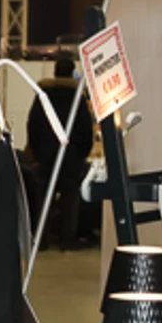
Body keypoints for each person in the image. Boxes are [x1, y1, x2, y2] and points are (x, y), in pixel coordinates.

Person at [26, 52, 99, 250]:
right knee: (70, 202)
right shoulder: (78, 98)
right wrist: (82, 154)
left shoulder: (43, 95)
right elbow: (85, 129)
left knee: (44, 200)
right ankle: (66, 240)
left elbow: (33, 125)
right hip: (71, 157)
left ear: (55, 72)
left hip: (46, 156)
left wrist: (36, 152)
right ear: (72, 72)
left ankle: (42, 240)